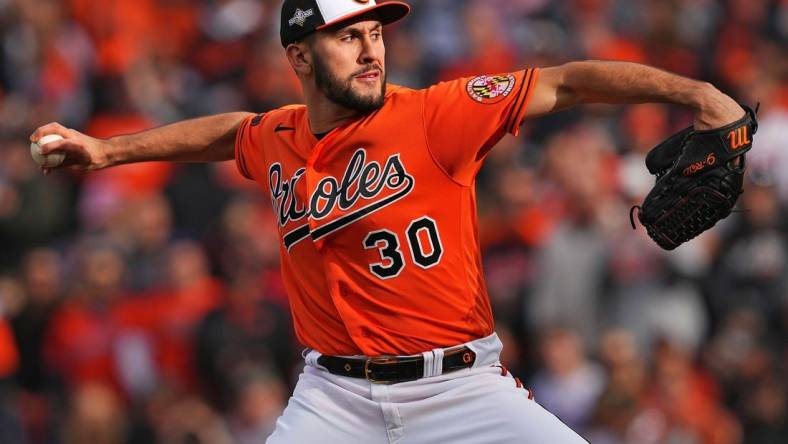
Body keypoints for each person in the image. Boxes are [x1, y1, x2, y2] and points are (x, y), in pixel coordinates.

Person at [30, 1, 745, 442]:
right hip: (333, 399)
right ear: (300, 58)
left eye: (376, 31)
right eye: (350, 36)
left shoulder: (435, 113)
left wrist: (699, 92)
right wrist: (109, 150)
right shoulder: (278, 136)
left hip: (461, 387)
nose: (372, 48)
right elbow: (229, 132)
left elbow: (567, 81)